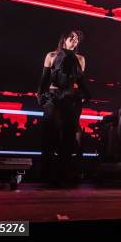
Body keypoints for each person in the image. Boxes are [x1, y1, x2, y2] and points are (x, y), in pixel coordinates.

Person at [37, 30, 90, 186]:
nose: (74, 41)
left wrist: (86, 93)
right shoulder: (51, 56)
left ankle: (64, 174)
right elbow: (44, 79)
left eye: (77, 39)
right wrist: (40, 95)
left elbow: (80, 81)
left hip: (70, 98)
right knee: (50, 134)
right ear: (64, 39)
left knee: (68, 137)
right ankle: (46, 174)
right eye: (71, 38)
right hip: (53, 97)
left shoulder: (80, 59)